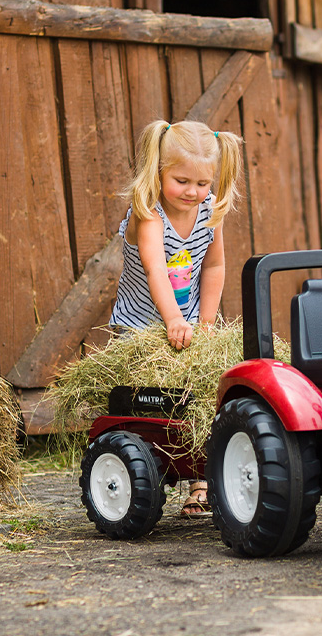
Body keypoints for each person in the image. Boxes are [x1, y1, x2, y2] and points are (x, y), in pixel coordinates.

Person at [110, 119, 243, 516]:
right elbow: (155, 270)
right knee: (152, 405)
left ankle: (202, 480)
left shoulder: (210, 210)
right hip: (140, 328)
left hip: (185, 324)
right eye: (182, 180)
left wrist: (204, 323)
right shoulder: (147, 212)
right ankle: (144, 474)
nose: (193, 192)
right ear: (159, 171)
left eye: (203, 183)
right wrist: (171, 321)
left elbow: (214, 267)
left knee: (201, 396)